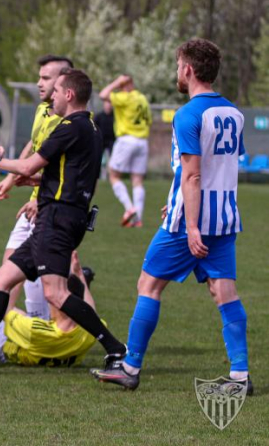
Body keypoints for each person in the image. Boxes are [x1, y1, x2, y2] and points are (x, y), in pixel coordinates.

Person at [0, 69, 126, 375]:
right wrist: (34, 181)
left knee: (56, 293)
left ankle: (116, 349)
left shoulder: (69, 127)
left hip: (57, 220)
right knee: (3, 280)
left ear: (69, 95)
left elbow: (26, 162)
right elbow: (67, 174)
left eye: (57, 89)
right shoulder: (91, 127)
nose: (51, 94)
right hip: (59, 218)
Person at [92, 39, 252, 395]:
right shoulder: (234, 113)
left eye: (178, 65)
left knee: (148, 285)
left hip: (188, 223)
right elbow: (217, 168)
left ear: (189, 70)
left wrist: (190, 223)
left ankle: (130, 367)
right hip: (225, 217)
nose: (176, 71)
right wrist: (179, 198)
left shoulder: (188, 115)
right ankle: (240, 375)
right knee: (224, 291)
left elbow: (194, 174)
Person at [0, 55, 72, 321]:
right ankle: (20, 330)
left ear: (63, 82)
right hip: (36, 201)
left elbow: (67, 173)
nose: (39, 83)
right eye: (39, 77)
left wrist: (41, 201)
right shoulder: (42, 110)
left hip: (52, 207)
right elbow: (33, 144)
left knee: (44, 280)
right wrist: (9, 178)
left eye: (46, 78)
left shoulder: (69, 123)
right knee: (13, 273)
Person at [0, 252, 100, 367]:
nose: (49, 297)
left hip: (3, 345)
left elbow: (5, 310)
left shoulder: (35, 330)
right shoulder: (89, 331)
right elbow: (90, 309)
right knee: (13, 314)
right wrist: (78, 273)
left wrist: (20, 271)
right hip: (43, 346)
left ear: (60, 305)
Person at [99, 74, 151, 227]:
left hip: (126, 139)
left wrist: (116, 82)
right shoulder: (142, 99)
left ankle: (130, 209)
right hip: (142, 141)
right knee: (137, 180)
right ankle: (138, 219)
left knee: (113, 175)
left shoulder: (125, 97)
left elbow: (103, 94)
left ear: (124, 86)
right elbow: (149, 120)